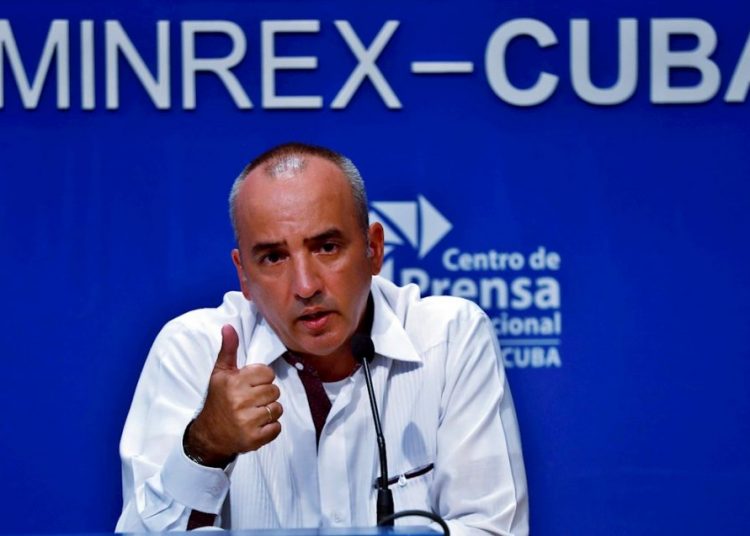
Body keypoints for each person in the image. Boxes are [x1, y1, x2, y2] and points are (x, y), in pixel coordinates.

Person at [116, 142, 529, 535]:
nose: (305, 285)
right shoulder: (193, 351)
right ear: (243, 274)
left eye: (327, 247)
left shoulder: (449, 338)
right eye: (274, 257)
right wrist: (206, 446)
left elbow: (489, 529)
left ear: (374, 249)